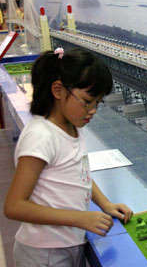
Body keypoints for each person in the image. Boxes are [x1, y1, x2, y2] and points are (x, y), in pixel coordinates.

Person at [4, 48, 133, 267]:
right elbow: (14, 206)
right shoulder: (41, 136)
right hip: (43, 253)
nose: (92, 111)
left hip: (70, 243)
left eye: (97, 103)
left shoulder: (72, 127)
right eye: (86, 101)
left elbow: (78, 175)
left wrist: (105, 204)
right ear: (58, 90)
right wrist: (80, 218)